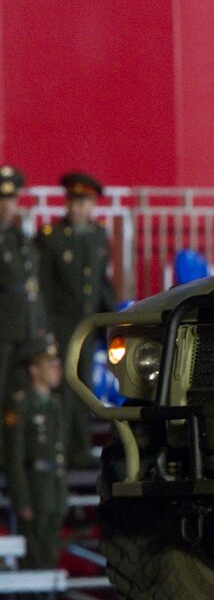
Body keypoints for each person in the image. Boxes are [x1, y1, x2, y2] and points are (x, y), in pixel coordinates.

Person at [36, 172, 116, 468]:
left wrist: (114, 316)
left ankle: (80, 450)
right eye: (75, 201)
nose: (79, 208)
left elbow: (100, 283)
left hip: (87, 324)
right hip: (60, 324)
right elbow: (43, 286)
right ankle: (61, 451)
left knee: (84, 386)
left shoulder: (97, 236)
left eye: (85, 201)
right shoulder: (52, 238)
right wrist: (43, 328)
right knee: (64, 389)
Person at [4, 339, 69, 575]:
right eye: (49, 363)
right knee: (34, 553)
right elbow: (15, 456)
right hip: (35, 487)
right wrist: (22, 498)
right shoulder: (22, 404)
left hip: (53, 487)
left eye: (57, 363)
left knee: (50, 550)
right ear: (34, 369)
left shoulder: (55, 404)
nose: (56, 368)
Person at [0, 166, 44, 419]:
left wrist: (39, 323)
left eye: (12, 198)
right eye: (3, 199)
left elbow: (32, 284)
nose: (8, 206)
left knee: (18, 394)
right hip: (4, 327)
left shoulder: (19, 237)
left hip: (24, 327)